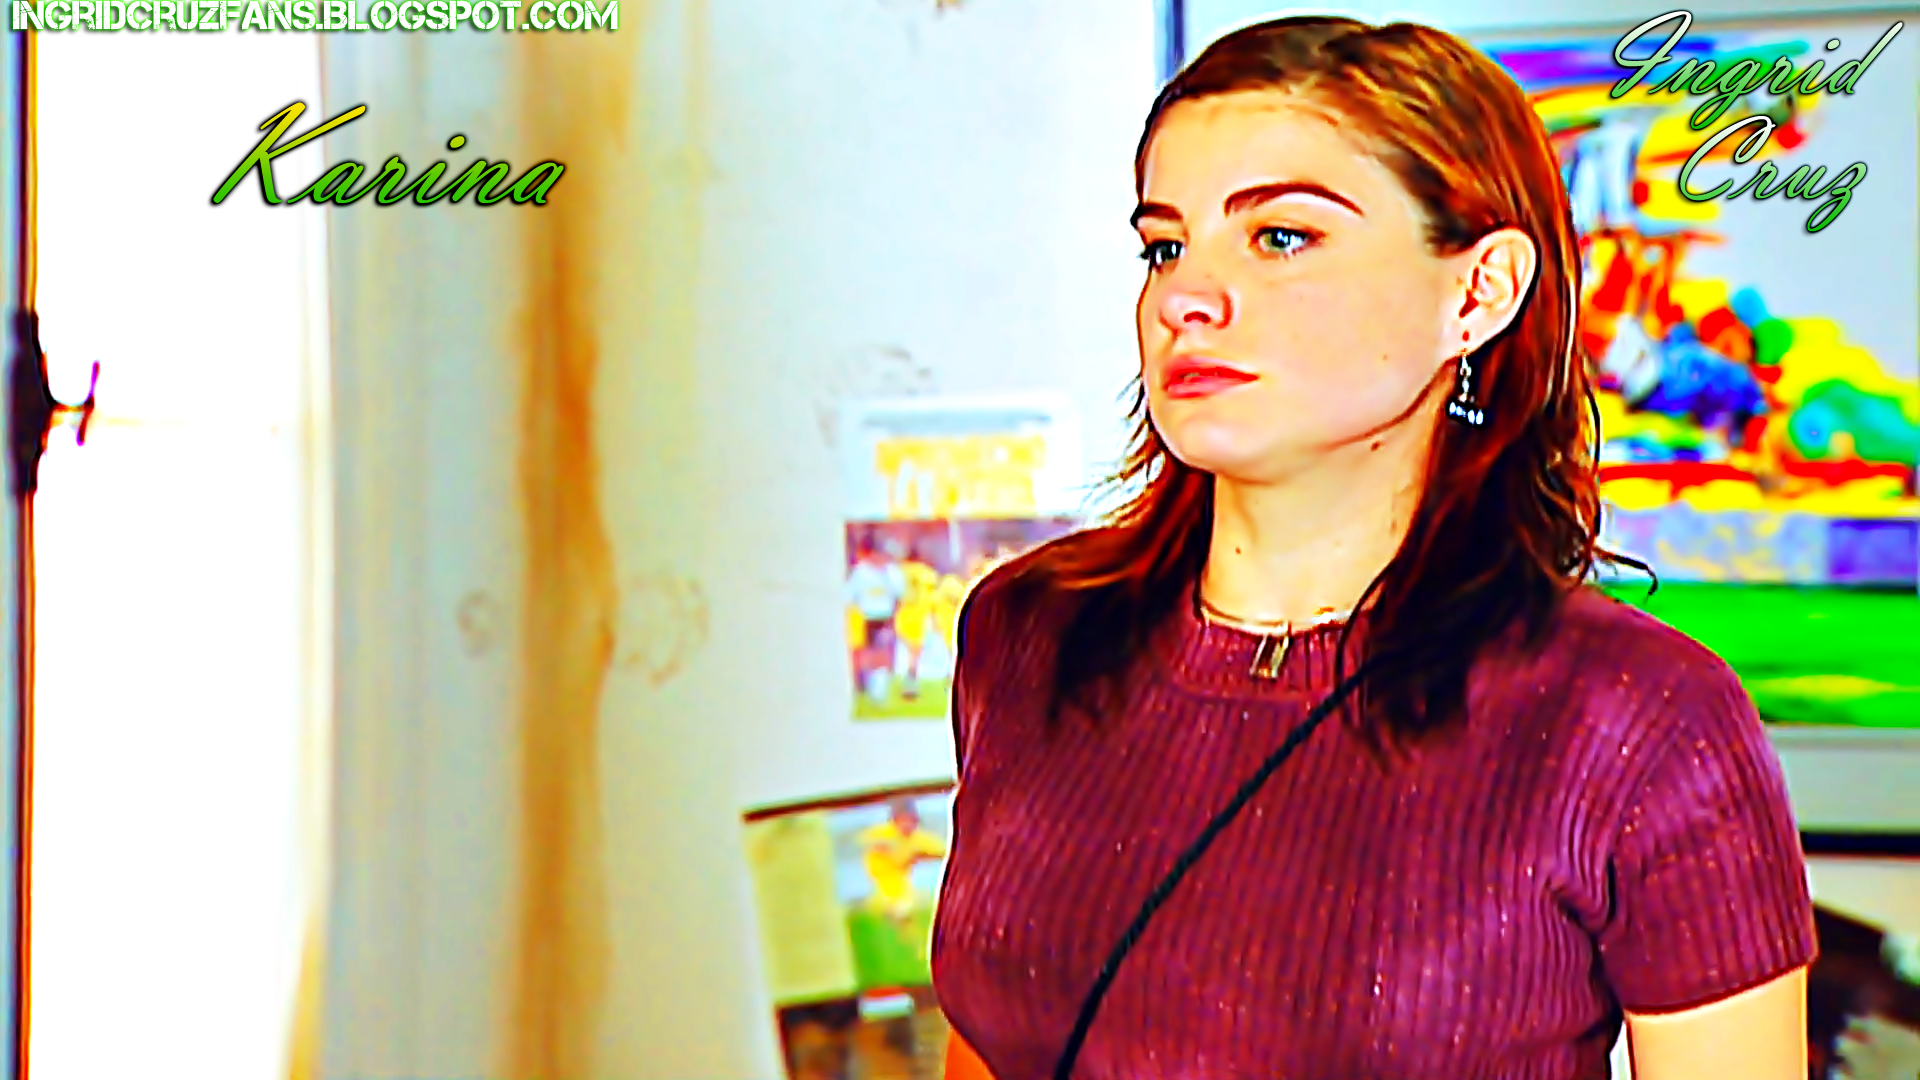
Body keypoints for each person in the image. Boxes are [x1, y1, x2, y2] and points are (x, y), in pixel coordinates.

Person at [930, 17, 1814, 1080]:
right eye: (1165, 246)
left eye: (1280, 238)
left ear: (1478, 293)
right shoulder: (1026, 635)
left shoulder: (1640, 721)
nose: (1184, 300)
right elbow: (987, 1042)